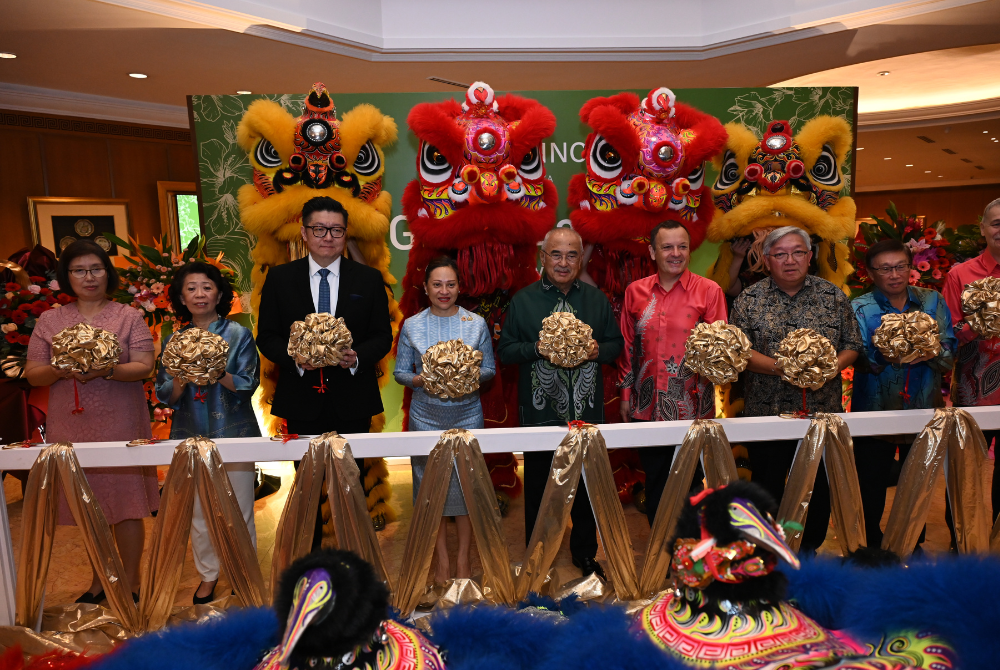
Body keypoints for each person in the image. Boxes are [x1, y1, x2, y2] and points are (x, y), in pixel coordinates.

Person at [25, 239, 158, 603]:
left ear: (107, 273)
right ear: (66, 277)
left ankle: (130, 581)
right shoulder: (50, 320)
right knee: (88, 504)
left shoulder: (128, 315)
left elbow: (145, 366)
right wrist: (60, 368)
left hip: (121, 419)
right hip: (71, 423)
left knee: (127, 504)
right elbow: (33, 373)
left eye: (96, 269)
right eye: (79, 270)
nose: (89, 277)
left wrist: (107, 370)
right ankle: (100, 580)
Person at [256, 196, 393, 547]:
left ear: (345, 234)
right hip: (301, 400)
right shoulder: (280, 278)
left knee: (351, 487)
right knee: (308, 489)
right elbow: (267, 336)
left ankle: (355, 559)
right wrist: (294, 358)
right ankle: (312, 559)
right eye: (319, 229)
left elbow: (382, 336)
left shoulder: (368, 279)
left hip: (353, 399)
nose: (327, 236)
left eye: (336, 230)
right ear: (304, 232)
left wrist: (356, 357)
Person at [497, 227, 624, 579]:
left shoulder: (596, 301)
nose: (564, 262)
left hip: (586, 410)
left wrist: (600, 350)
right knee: (539, 485)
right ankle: (538, 552)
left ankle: (584, 553)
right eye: (556, 254)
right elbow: (506, 352)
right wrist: (536, 348)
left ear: (580, 258)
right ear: (543, 257)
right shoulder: (523, 301)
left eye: (571, 255)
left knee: (585, 485)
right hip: (540, 413)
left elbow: (616, 345)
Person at [730, 226, 863, 554]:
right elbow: (738, 350)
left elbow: (853, 344)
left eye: (798, 252)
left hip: (821, 410)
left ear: (810, 256)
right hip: (766, 409)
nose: (790, 260)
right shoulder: (750, 298)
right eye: (780, 254)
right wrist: (782, 367)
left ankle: (809, 549)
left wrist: (831, 366)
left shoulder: (832, 296)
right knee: (766, 484)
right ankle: (765, 551)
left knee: (818, 484)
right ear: (767, 259)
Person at [155, 261, 261, 604]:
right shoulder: (172, 339)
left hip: (235, 431)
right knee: (199, 511)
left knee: (241, 507)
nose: (200, 294)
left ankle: (245, 573)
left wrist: (216, 372)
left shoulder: (238, 335)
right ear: (181, 297)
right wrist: (182, 379)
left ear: (219, 294)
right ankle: (208, 575)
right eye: (191, 288)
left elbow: (247, 383)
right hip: (190, 431)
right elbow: (164, 394)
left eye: (207, 287)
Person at [394, 256, 496, 584]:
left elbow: (490, 370)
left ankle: (464, 559)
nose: (444, 290)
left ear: (459, 287)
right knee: (431, 492)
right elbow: (400, 373)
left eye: (450, 284)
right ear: (425, 288)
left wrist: (467, 375)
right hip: (425, 418)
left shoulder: (476, 324)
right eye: (437, 284)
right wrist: (421, 380)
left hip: (467, 414)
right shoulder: (411, 325)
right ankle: (441, 562)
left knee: (466, 490)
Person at [617, 221, 727, 526]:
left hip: (692, 406)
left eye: (682, 246)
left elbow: (720, 351)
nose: (676, 253)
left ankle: (687, 559)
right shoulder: (635, 292)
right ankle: (660, 557)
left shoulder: (710, 291)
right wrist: (625, 394)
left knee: (691, 484)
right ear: (653, 251)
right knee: (655, 481)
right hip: (646, 406)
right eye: (667, 247)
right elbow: (627, 346)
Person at [852, 239, 956, 550]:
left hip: (923, 408)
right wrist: (888, 352)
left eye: (900, 266)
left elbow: (949, 354)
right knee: (870, 484)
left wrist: (926, 350)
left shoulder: (932, 301)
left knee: (918, 484)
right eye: (885, 269)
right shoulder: (860, 307)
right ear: (871, 272)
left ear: (910, 268)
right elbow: (860, 359)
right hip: (874, 408)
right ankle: (869, 545)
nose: (894, 274)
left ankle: (912, 544)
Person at [943, 196, 1000, 522]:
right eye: (996, 223)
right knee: (966, 470)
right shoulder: (961, 274)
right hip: (974, 388)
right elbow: (948, 334)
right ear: (983, 229)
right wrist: (980, 321)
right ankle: (961, 540)